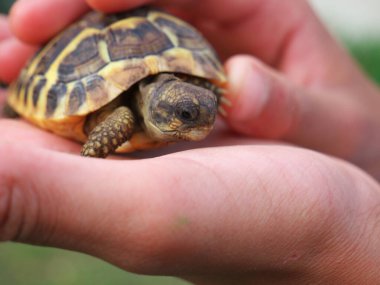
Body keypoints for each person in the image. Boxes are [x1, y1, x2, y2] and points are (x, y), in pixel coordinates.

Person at [1, 0, 380, 284]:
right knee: (122, 117)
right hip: (97, 82)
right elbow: (121, 117)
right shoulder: (123, 115)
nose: (204, 121)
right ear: (162, 110)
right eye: (185, 116)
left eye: (207, 109)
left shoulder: (191, 94)